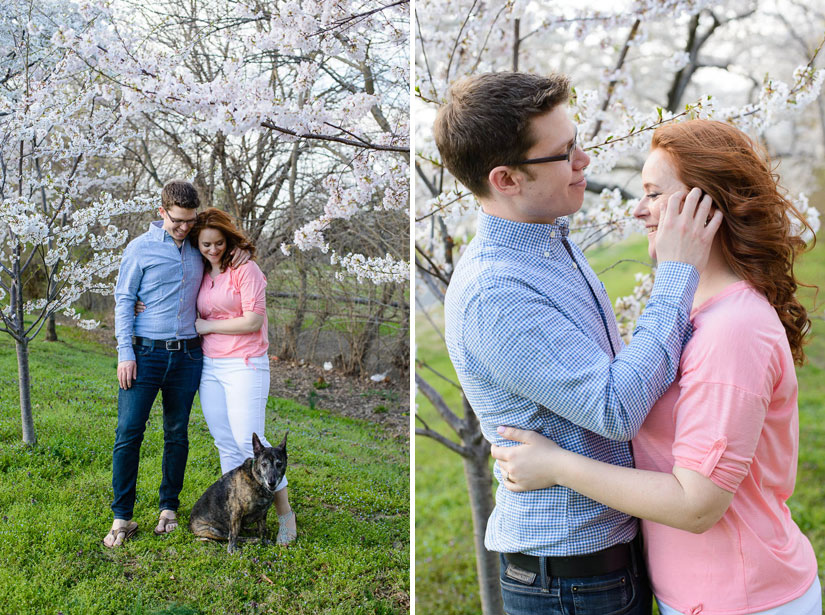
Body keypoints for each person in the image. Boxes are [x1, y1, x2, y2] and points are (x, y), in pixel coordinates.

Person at [492, 119, 820, 615]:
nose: (640, 210)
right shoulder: (688, 312)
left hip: (745, 597)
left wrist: (557, 466)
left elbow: (696, 504)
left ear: (704, 206)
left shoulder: (734, 329)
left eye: (653, 193)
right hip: (696, 594)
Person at [436, 71, 722, 614]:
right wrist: (678, 274)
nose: (585, 160)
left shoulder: (547, 242)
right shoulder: (496, 293)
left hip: (604, 565)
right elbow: (614, 408)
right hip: (571, 581)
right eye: (564, 153)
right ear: (507, 179)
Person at [105, 179, 247, 547]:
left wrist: (242, 254)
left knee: (177, 433)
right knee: (128, 434)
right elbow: (124, 300)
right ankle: (123, 517)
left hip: (187, 356)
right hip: (145, 354)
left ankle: (168, 507)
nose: (185, 228)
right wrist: (125, 352)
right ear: (161, 211)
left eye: (190, 221)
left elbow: (227, 256)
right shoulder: (140, 249)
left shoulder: (199, 247)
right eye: (178, 220)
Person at [189, 207, 297, 545]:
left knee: (251, 445)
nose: (213, 250)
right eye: (205, 244)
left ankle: (285, 518)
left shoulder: (245, 269)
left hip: (245, 364)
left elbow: (252, 320)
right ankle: (238, 511)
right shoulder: (202, 272)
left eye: (219, 243)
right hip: (211, 366)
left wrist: (208, 326)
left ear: (228, 239)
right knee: (225, 443)